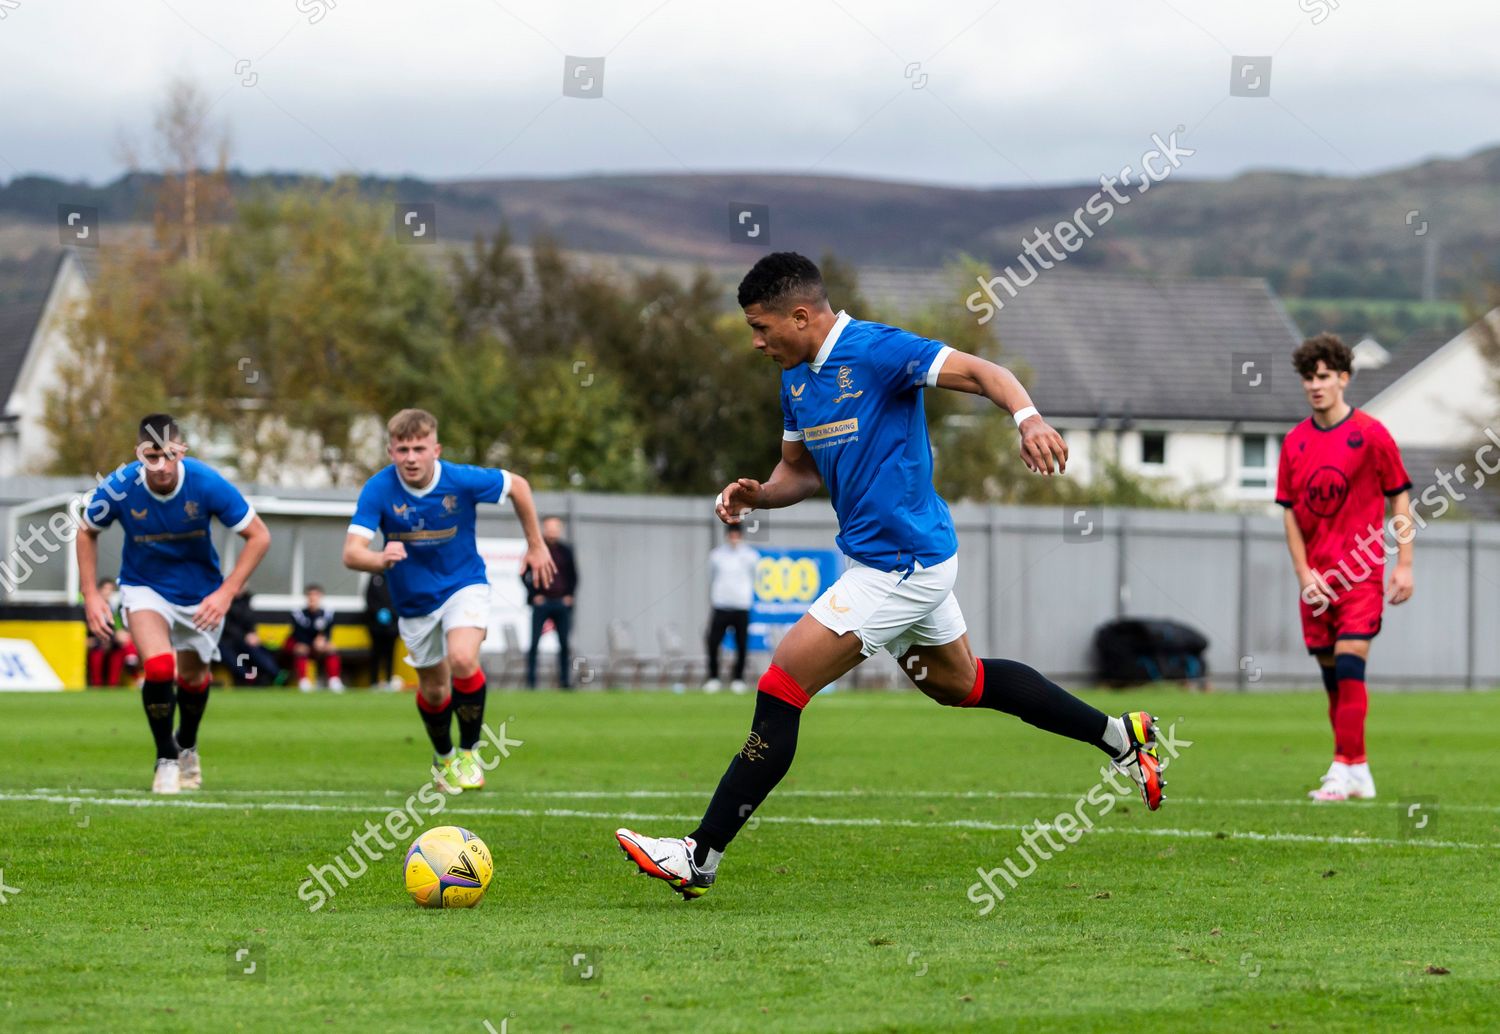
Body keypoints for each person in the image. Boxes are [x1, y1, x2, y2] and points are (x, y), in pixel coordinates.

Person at [616, 253, 1164, 899]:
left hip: (900, 565)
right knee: (962, 684)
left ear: (801, 315)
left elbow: (985, 372)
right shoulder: (795, 378)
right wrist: (758, 495)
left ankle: (699, 854)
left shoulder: (878, 351)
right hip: (893, 561)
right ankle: (1119, 736)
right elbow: (802, 471)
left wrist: (1028, 418)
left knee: (782, 685)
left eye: (762, 328)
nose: (756, 342)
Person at [343, 409, 554, 793]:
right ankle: (444, 757)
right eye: (402, 449)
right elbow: (351, 553)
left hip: (464, 584)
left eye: (419, 448)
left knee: (462, 658)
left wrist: (536, 545)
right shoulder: (378, 489)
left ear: (435, 449)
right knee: (435, 690)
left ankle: (470, 753)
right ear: (391, 451)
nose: (410, 457)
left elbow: (518, 486)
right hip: (413, 601)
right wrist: (380, 558)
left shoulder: (460, 479)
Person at [76, 413, 271, 793]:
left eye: (169, 455)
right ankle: (166, 756)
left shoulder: (206, 482)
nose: (161, 465)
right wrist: (90, 595)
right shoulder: (120, 486)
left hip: (201, 594)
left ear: (182, 450)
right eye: (152, 456)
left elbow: (259, 536)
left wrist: (225, 592)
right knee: (160, 667)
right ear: (139, 454)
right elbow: (86, 531)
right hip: (143, 587)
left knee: (195, 678)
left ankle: (188, 745)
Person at [1278, 333, 1413, 802]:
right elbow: (1290, 512)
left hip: (1360, 575)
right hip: (1316, 583)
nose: (1315, 385)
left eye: (1324, 376)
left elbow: (1400, 495)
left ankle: (1341, 769)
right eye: (1308, 378)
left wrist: (1404, 564)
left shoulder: (1371, 434)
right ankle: (1357, 768)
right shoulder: (1294, 443)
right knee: (1334, 678)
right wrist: (1303, 574)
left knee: (1353, 663)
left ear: (1343, 378)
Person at [524, 515, 579, 689]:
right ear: (543, 529)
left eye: (555, 528)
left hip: (561, 604)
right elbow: (523, 574)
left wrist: (569, 595)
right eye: (549, 528)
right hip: (542, 603)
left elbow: (574, 575)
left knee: (564, 643)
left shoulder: (566, 551)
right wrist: (534, 595)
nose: (552, 531)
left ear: (559, 530)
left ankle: (564, 682)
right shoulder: (535, 550)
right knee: (534, 643)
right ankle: (531, 682)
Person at [704, 525, 758, 693]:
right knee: (713, 641)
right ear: (727, 536)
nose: (734, 537)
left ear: (740, 536)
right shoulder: (716, 555)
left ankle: (738, 678)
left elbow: (754, 577)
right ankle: (713, 677)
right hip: (721, 605)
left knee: (741, 644)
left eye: (737, 534)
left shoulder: (750, 556)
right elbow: (711, 577)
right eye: (731, 534)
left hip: (741, 605)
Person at [85, 577, 139, 686]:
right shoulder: (90, 607)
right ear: (99, 590)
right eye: (105, 588)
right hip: (95, 640)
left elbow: (118, 627)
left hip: (111, 640)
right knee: (98, 650)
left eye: (110, 589)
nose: (108, 592)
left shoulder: (115, 608)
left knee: (119, 648)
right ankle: (97, 684)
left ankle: (114, 683)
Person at [221, 589, 280, 687]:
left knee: (256, 650)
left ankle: (274, 674)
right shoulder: (224, 603)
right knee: (237, 657)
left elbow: (251, 623)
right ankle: (248, 677)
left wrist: (253, 634)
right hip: (227, 641)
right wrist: (244, 636)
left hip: (245, 642)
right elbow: (227, 626)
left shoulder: (247, 603)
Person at [290, 584, 344, 692]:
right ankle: (303, 681)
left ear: (321, 597)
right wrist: (310, 643)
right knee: (301, 648)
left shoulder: (328, 614)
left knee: (331, 647)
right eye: (310, 595)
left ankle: (334, 680)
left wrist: (322, 640)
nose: (313, 598)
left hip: (318, 646)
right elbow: (298, 634)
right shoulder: (298, 614)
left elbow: (327, 632)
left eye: (316, 595)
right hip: (303, 644)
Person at [365, 571, 402, 689]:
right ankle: (374, 681)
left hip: (393, 624)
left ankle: (389, 680)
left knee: (390, 653)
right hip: (375, 625)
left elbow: (402, 599)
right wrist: (378, 612)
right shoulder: (375, 577)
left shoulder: (398, 578)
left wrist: (392, 613)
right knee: (376, 653)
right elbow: (369, 598)